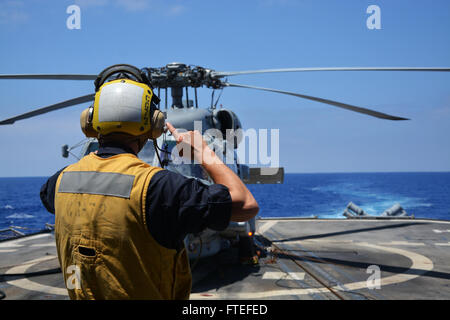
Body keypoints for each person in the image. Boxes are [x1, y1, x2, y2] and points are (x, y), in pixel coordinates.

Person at [39, 65, 259, 300]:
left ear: (90, 123)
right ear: (153, 125)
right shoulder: (160, 188)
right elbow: (246, 205)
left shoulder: (58, 183)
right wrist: (204, 153)